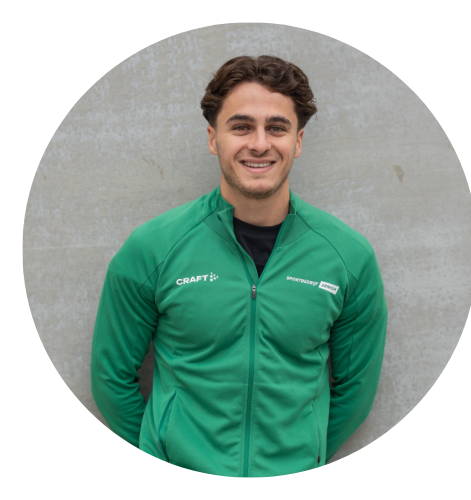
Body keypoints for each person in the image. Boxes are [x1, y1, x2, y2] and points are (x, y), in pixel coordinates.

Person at [90, 55, 387, 478]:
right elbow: (111, 376)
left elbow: (356, 390)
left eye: (277, 128)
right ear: (214, 138)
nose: (260, 143)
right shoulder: (154, 248)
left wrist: (305, 455)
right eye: (242, 126)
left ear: (299, 141)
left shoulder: (347, 257)